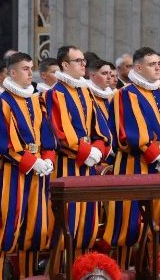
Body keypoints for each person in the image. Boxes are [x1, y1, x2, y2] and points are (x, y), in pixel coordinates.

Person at [106, 47, 160, 265]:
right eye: (152, 64)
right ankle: (122, 269)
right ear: (138, 68)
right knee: (128, 222)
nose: (158, 68)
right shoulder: (125, 95)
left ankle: (156, 268)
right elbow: (129, 133)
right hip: (134, 164)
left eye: (159, 64)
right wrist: (158, 156)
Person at [0, 52, 56, 279]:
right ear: (13, 73)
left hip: (38, 173)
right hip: (12, 174)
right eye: (26, 69)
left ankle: (28, 277)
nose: (30, 73)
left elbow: (47, 136)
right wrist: (32, 161)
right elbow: (2, 144)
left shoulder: (36, 101)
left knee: (35, 230)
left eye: (31, 68)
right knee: (7, 228)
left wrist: (48, 158)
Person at [46, 46, 112, 249]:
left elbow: (100, 127)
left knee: (88, 221)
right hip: (67, 164)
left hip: (88, 164)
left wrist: (98, 148)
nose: (83, 64)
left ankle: (84, 262)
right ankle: (62, 264)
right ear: (65, 65)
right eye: (78, 61)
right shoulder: (54, 94)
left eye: (84, 60)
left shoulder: (86, 91)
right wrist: (86, 151)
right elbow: (59, 133)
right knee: (68, 220)